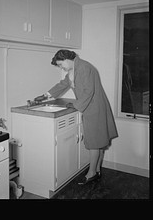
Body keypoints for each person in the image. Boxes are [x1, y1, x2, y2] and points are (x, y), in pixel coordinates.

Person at [34, 49, 118, 185]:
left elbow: (88, 91)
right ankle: (96, 170)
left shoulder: (84, 68)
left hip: (94, 108)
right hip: (94, 106)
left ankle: (91, 174)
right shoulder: (74, 69)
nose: (61, 68)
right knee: (99, 141)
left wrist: (75, 105)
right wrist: (45, 96)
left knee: (94, 143)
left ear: (67, 59)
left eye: (61, 65)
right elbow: (63, 85)